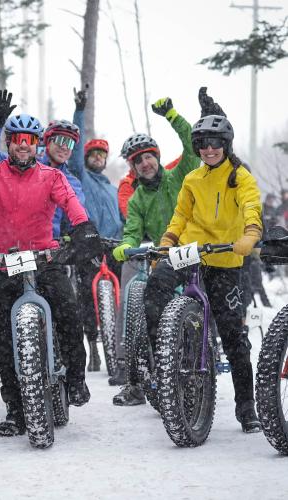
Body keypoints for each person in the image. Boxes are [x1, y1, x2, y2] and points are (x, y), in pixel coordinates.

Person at [0, 106, 101, 437]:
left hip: (43, 260)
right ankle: (16, 409)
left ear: (36, 144)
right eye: (16, 139)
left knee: (70, 315)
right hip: (0, 264)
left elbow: (72, 206)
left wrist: (84, 228)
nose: (22, 145)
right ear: (10, 142)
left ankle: (75, 379)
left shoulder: (51, 176)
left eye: (29, 140)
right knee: (2, 339)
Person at [145, 113, 262, 433]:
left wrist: (250, 235)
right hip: (191, 251)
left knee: (233, 334)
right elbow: (180, 216)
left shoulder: (240, 177)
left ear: (225, 145)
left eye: (215, 144)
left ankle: (246, 404)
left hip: (226, 257)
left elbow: (252, 207)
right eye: (202, 145)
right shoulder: (192, 179)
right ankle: (165, 359)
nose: (209, 150)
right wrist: (166, 245)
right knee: (155, 285)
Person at [111, 96, 201, 405]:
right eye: (138, 161)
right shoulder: (137, 199)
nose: (145, 164)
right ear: (133, 168)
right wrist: (125, 247)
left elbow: (192, 146)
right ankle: (157, 365)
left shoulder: (178, 176)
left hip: (193, 251)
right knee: (149, 305)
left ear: (157, 158)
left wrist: (173, 116)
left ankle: (202, 361)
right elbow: (132, 230)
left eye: (149, 157)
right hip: (163, 258)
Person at [67, 87, 123, 376]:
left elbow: (124, 218)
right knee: (87, 300)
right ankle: (93, 349)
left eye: (103, 155)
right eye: (94, 154)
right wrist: (79, 111)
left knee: (119, 298)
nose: (98, 158)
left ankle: (118, 347)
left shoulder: (113, 189)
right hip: (89, 246)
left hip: (115, 247)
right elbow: (75, 152)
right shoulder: (81, 177)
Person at [0, 89, 86, 239]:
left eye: (69, 142)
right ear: (47, 142)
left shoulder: (72, 182)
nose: (64, 147)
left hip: (48, 251)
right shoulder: (22, 163)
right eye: (60, 140)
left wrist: (80, 235)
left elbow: (77, 215)